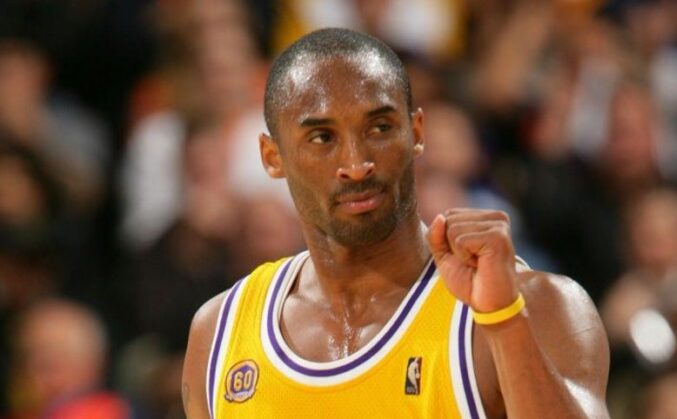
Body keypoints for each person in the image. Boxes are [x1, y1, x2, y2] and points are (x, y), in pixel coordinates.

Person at [182, 28, 610, 418]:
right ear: (272, 156)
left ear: (417, 131)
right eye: (322, 137)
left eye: (380, 127)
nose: (356, 164)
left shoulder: (535, 305)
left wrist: (504, 321)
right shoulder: (220, 334)